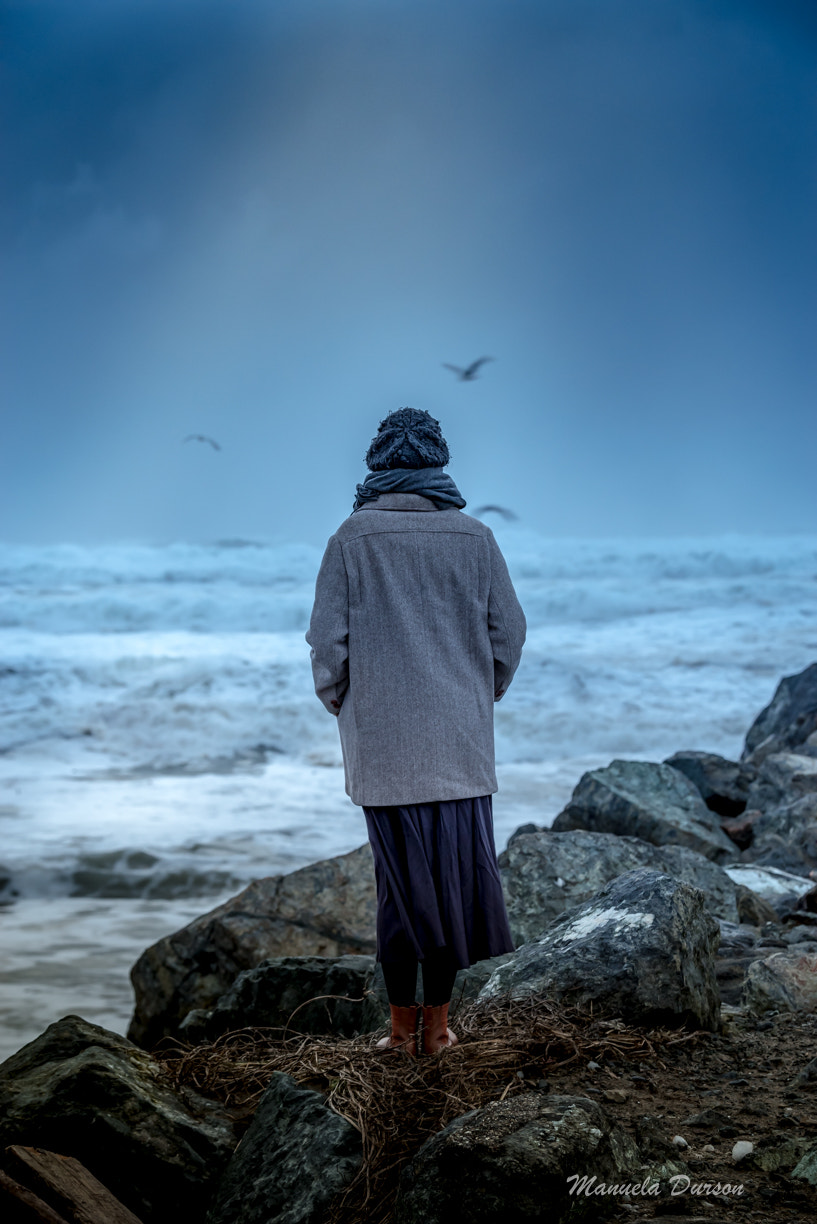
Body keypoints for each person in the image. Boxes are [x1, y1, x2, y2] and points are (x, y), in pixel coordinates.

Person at [306, 407, 526, 1056]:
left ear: (376, 464)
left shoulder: (350, 539)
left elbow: (326, 644)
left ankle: (400, 1033)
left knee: (399, 897)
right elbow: (507, 636)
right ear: (438, 463)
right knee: (454, 893)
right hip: (458, 748)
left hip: (385, 752)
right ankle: (437, 1029)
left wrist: (339, 700)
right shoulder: (475, 537)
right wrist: (478, 695)